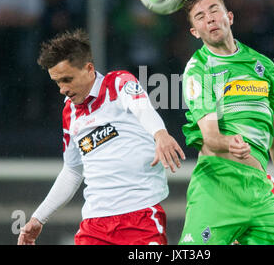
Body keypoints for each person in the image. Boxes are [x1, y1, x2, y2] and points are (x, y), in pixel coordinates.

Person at [17, 29, 185, 245]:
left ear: (88, 69)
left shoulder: (118, 83)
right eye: (57, 82)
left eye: (67, 79)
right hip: (94, 225)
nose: (62, 89)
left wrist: (160, 134)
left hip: (139, 217)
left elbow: (142, 108)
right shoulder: (70, 112)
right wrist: (39, 217)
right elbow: (72, 170)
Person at [178, 0, 274, 245]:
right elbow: (211, 137)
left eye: (214, 10)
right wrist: (230, 142)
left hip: (258, 189)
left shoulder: (264, 66)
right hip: (218, 184)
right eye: (200, 17)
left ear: (230, 17)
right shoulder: (198, 69)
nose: (210, 18)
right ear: (195, 32)